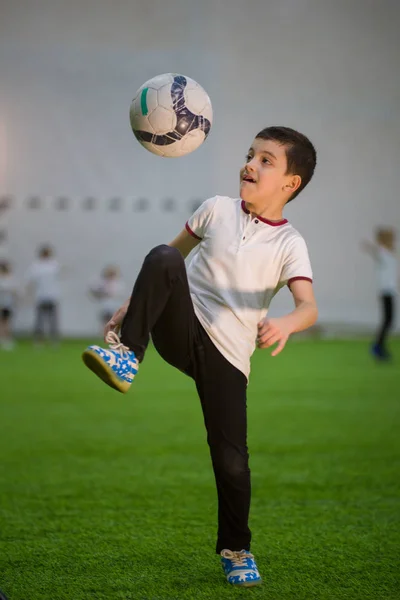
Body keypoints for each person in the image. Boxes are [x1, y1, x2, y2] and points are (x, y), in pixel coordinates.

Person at [82, 126, 318, 588]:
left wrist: (287, 323)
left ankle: (236, 548)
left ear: (291, 183)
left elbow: (309, 307)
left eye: (266, 160)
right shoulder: (215, 209)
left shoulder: (290, 243)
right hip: (183, 328)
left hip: (228, 357)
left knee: (231, 459)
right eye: (251, 155)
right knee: (163, 254)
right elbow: (168, 260)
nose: (250, 164)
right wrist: (133, 306)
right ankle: (128, 356)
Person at [362, 228, 397, 360]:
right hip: (386, 292)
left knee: (388, 321)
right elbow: (375, 250)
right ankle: (377, 346)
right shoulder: (382, 252)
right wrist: (370, 245)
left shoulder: (388, 253)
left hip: (390, 291)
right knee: (388, 320)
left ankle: (379, 346)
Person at [25, 245, 61, 345]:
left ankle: (50, 340)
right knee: (41, 320)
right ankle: (41, 340)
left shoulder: (52, 265)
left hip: (50, 295)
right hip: (42, 296)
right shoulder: (38, 266)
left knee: (51, 319)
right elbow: (30, 281)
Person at [88, 266, 126, 332]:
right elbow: (94, 291)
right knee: (105, 321)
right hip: (104, 306)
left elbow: (119, 294)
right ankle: (104, 334)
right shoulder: (101, 283)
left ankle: (112, 334)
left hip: (114, 306)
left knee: (114, 321)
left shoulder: (117, 284)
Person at [0, 261, 18, 350]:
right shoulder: (4, 279)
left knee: (6, 323)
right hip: (2, 304)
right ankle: (3, 339)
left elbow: (14, 291)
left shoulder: (9, 279)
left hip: (7, 304)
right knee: (3, 323)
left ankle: (7, 339)